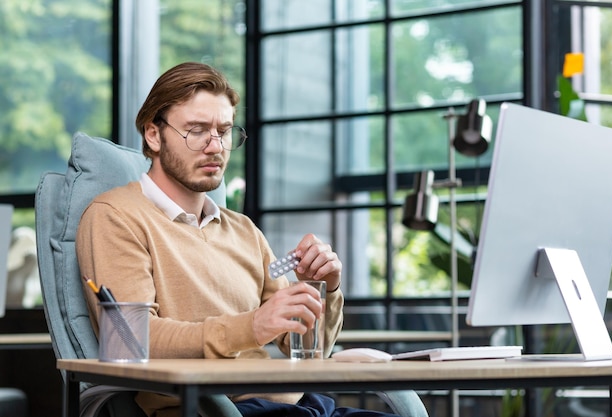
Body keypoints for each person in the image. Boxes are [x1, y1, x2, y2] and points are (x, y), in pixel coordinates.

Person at [76, 62, 403, 417]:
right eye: (196, 130)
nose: (215, 147)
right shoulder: (115, 216)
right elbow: (134, 340)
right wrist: (252, 325)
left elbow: (309, 352)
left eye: (224, 131)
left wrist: (322, 290)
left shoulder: (244, 230)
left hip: (299, 406)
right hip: (210, 410)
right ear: (154, 134)